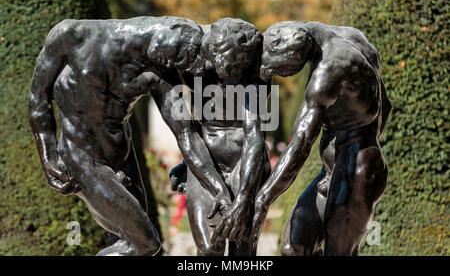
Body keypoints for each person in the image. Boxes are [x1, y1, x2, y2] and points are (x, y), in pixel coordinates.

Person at [28, 16, 214, 255]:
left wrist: (203, 174)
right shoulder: (71, 35)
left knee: (125, 240)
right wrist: (48, 154)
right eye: (181, 62)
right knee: (144, 244)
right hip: (81, 156)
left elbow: (185, 132)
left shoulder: (158, 69)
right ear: (164, 44)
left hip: (123, 157)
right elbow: (38, 97)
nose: (181, 70)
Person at [251, 21, 391, 256]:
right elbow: (384, 105)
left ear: (296, 55)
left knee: (338, 252)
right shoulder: (352, 38)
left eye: (283, 71)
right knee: (293, 247)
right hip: (336, 167)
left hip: (358, 167)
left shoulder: (328, 70)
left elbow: (301, 142)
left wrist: (262, 200)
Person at [180, 18, 271, 256]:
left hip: (244, 162)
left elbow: (254, 136)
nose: (229, 75)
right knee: (209, 247)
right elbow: (186, 130)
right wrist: (188, 160)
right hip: (207, 161)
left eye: (236, 68)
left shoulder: (256, 74)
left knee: (242, 248)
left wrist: (244, 198)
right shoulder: (193, 68)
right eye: (224, 68)